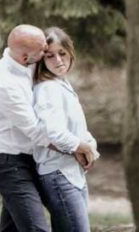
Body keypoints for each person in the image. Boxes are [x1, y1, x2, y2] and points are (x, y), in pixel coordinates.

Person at [0, 24, 96, 232]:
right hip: (12, 165)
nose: (48, 55)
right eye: (44, 52)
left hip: (33, 159)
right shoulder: (4, 83)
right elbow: (38, 133)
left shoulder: (28, 62)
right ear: (27, 58)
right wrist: (77, 147)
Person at [33, 27, 99, 232]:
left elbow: (78, 128)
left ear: (70, 52)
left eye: (62, 53)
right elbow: (54, 133)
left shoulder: (61, 84)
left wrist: (90, 147)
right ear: (42, 60)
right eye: (50, 56)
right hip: (58, 174)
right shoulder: (48, 88)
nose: (58, 60)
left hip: (73, 173)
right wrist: (82, 148)